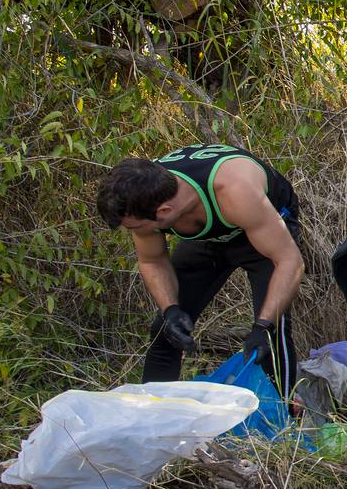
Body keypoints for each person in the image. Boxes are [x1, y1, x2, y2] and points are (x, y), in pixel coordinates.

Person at [96, 143, 304, 395]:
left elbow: (290, 261)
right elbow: (152, 260)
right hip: (208, 237)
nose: (132, 232)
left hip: (264, 228)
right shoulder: (143, 198)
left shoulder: (235, 189)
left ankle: (286, 420)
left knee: (270, 337)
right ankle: (154, 417)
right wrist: (170, 310)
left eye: (133, 227)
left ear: (164, 212)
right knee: (165, 331)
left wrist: (263, 326)